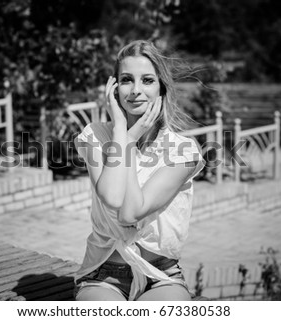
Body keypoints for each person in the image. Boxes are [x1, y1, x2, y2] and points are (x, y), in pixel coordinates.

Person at [74, 40, 203, 301]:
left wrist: (129, 141)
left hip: (161, 276)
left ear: (161, 88)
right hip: (104, 274)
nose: (135, 90)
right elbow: (110, 197)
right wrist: (124, 132)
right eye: (126, 80)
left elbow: (131, 212)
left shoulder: (183, 151)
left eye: (146, 80)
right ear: (114, 88)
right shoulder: (95, 136)